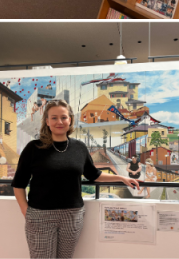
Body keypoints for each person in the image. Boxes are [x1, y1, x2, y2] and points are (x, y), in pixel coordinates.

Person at [12, 100, 138, 259]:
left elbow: (94, 174)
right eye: (54, 118)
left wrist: (120, 177)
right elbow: (19, 184)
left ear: (70, 120)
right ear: (47, 121)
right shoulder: (33, 148)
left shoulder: (79, 147)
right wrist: (26, 211)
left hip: (72, 215)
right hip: (40, 215)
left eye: (64, 117)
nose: (59, 122)